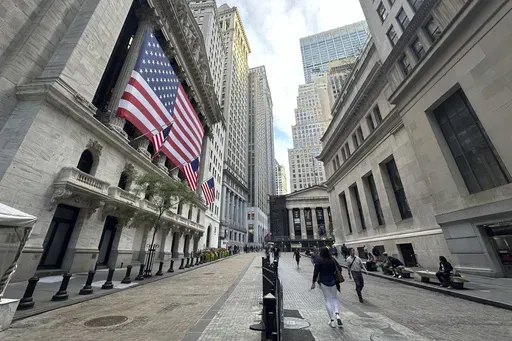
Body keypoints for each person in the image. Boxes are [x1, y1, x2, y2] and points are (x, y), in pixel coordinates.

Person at [311, 247, 343, 328]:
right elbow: (339, 268)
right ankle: (337, 315)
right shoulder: (332, 259)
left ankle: (332, 320)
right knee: (335, 298)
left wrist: (313, 282)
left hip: (324, 281)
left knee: (328, 299)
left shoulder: (319, 260)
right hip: (333, 280)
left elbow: (316, 271)